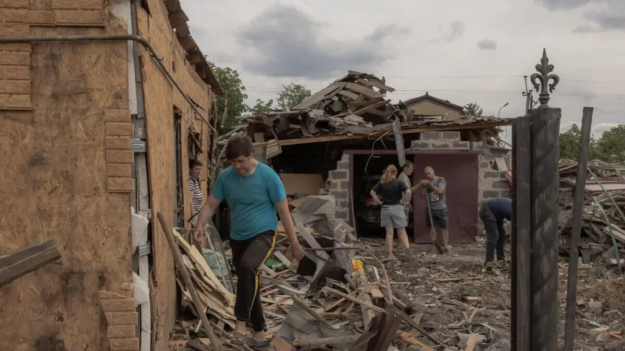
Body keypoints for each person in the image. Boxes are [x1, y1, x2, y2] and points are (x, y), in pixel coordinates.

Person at [192, 136, 305, 347]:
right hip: (238, 238)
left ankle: (240, 325)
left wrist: (294, 242)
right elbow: (210, 205)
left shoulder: (268, 177)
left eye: (241, 161)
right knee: (248, 279)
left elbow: (283, 210)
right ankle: (260, 332)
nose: (237, 166)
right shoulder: (226, 177)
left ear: (251, 155)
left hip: (264, 234)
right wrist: (200, 225)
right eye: (233, 162)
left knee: (247, 268)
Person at [370, 165, 412, 261]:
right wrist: (403, 201)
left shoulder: (382, 182)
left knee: (389, 233)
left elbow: (372, 192)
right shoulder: (399, 182)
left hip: (385, 208)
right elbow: (409, 192)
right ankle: (407, 250)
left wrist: (379, 202)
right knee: (401, 231)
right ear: (395, 173)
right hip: (397, 208)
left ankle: (390, 255)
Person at [417, 166, 449, 252]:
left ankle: (445, 245)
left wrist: (430, 184)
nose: (427, 175)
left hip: (441, 207)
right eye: (426, 174)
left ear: (433, 171)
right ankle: (434, 244)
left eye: (429, 173)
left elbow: (440, 191)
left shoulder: (440, 180)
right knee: (432, 227)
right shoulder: (427, 183)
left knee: (444, 227)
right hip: (431, 208)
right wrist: (423, 186)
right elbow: (422, 195)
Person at [479, 197, 511, 268]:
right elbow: (514, 228)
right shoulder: (515, 211)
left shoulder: (516, 208)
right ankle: (489, 262)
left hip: (495, 213)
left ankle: (501, 260)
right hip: (486, 210)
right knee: (494, 235)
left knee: (502, 235)